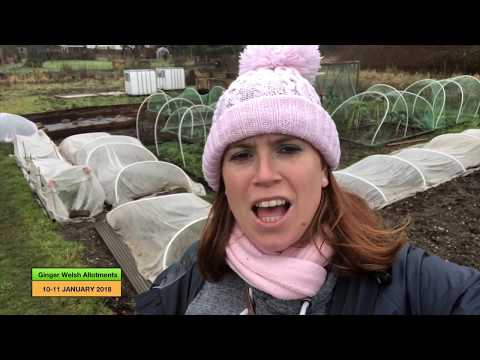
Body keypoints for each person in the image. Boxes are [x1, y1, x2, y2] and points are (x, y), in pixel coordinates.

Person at [136, 45, 480, 315]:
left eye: (287, 148)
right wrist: (84, 282)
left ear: (323, 172)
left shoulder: (405, 283)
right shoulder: (197, 267)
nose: (265, 175)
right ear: (222, 180)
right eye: (241, 155)